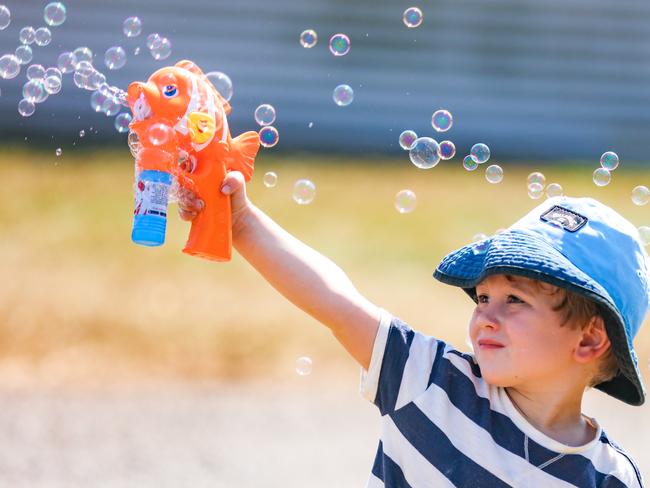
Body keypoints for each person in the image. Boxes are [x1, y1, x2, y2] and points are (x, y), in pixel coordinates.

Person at [178, 171, 647, 487]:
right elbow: (336, 302)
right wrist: (242, 223)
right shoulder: (430, 381)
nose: (486, 314)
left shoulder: (609, 478)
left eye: (515, 301)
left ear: (588, 339)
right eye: (483, 297)